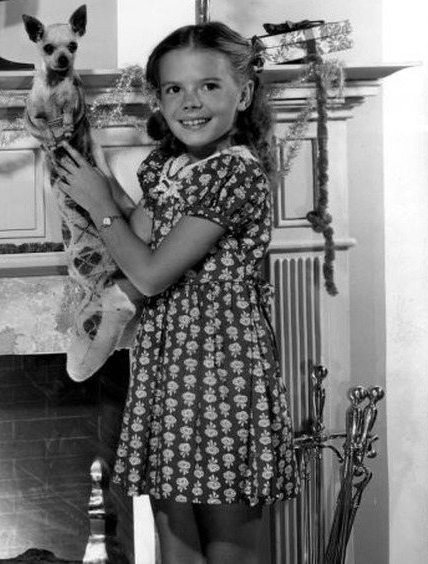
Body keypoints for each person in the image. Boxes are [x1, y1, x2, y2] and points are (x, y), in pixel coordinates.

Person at [52, 21, 299, 564]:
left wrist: (100, 205)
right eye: (174, 89)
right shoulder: (169, 164)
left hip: (221, 370)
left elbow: (152, 273)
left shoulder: (236, 174)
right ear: (157, 100)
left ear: (245, 92)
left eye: (209, 86)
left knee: (227, 545)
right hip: (168, 362)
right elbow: (137, 235)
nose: (191, 102)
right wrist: (98, 187)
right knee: (173, 539)